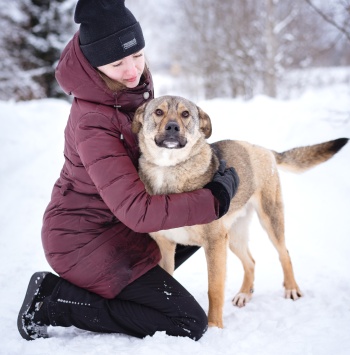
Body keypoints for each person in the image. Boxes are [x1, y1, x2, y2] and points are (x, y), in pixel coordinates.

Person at [17, 0, 239, 342]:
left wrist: (206, 169)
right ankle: (53, 302)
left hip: (117, 227)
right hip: (84, 240)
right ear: (94, 65)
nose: (132, 69)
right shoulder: (93, 122)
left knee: (194, 233)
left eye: (137, 55)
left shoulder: (127, 93)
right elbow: (138, 212)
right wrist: (214, 200)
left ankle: (118, 288)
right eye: (117, 62)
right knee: (186, 322)